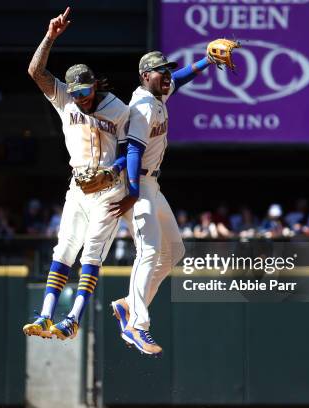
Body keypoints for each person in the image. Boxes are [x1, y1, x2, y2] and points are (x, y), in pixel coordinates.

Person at [108, 48, 227, 355]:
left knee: (174, 250)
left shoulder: (159, 92)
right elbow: (133, 150)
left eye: (167, 70)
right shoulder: (143, 105)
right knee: (148, 251)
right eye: (161, 71)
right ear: (145, 76)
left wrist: (208, 62)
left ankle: (129, 306)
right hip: (136, 185)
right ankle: (137, 325)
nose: (168, 75)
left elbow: (182, 78)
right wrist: (133, 192)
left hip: (151, 184)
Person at [22, 7, 130, 341]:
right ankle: (44, 316)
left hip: (110, 189)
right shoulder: (65, 100)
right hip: (79, 185)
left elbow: (131, 151)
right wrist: (49, 37)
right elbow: (35, 71)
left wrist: (113, 173)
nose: (81, 98)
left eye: (85, 92)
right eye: (76, 93)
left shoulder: (117, 108)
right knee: (64, 249)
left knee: (92, 252)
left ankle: (73, 318)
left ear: (95, 85)